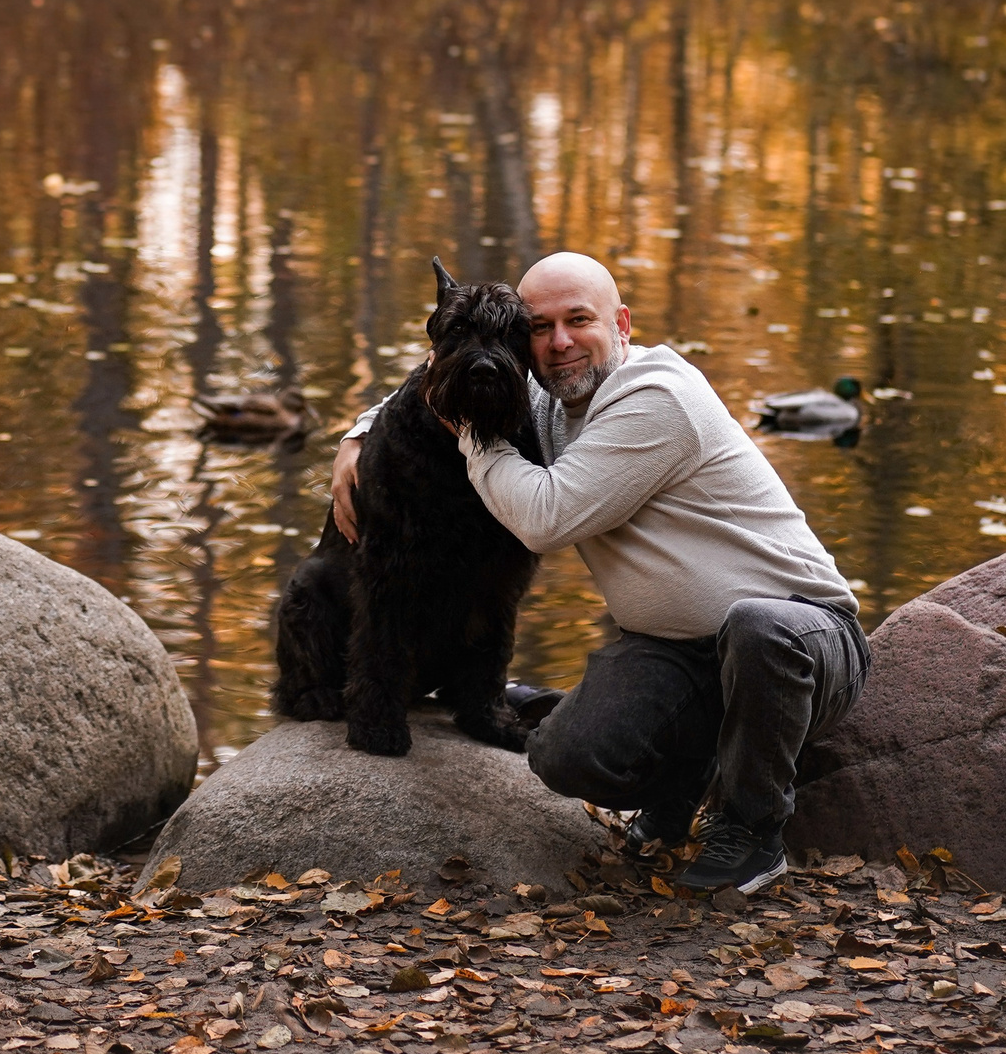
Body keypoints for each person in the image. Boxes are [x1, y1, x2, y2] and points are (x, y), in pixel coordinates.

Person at [332, 251, 865, 895]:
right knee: (564, 756)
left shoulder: (656, 397)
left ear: (622, 324)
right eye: (539, 327)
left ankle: (752, 829)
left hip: (803, 644)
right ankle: (686, 775)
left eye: (578, 320)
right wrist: (358, 436)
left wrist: (469, 436)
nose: (559, 344)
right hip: (676, 654)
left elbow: (544, 519)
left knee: (758, 627)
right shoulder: (549, 394)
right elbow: (444, 374)